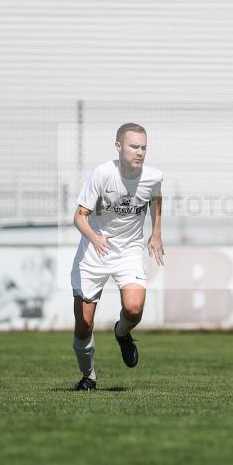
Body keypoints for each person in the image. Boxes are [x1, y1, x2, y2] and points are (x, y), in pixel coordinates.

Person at [70, 123, 164, 391]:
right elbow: (79, 216)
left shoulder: (153, 176)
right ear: (118, 146)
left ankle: (121, 333)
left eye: (144, 147)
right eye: (134, 146)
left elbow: (157, 199)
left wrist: (156, 233)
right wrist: (96, 237)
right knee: (84, 325)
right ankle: (89, 376)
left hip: (129, 251)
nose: (140, 152)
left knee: (134, 309)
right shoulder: (103, 173)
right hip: (94, 250)